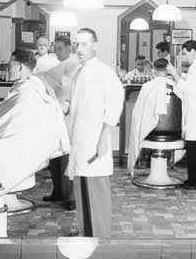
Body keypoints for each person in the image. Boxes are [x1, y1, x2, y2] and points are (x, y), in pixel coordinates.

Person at [0, 49, 69, 217]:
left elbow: (7, 125)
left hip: (16, 143)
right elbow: (4, 117)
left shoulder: (27, 90)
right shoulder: (27, 84)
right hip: (18, 136)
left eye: (10, 66)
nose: (8, 70)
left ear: (19, 67)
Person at [66, 28, 124, 237]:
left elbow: (115, 105)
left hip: (94, 140)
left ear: (95, 45)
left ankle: (98, 235)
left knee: (95, 189)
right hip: (80, 139)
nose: (79, 49)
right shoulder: (80, 71)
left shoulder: (103, 72)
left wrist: (103, 139)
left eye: (84, 44)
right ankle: (85, 230)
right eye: (77, 44)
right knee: (81, 187)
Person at [37, 37, 81, 211]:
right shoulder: (61, 65)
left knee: (66, 156)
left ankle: (70, 196)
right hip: (58, 114)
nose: (57, 52)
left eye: (61, 49)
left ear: (70, 48)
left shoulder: (74, 64)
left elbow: (70, 88)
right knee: (55, 154)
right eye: (55, 48)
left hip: (69, 115)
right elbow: (47, 77)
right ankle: (58, 191)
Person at [166, 40, 196, 190]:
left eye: (185, 53)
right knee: (195, 145)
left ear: (193, 51)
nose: (184, 57)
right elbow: (189, 81)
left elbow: (187, 88)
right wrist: (178, 74)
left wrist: (174, 75)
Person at [126, 58, 177, 176]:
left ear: (153, 70)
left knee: (137, 121)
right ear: (168, 70)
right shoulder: (174, 85)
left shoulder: (148, 86)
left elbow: (138, 113)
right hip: (173, 131)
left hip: (151, 131)